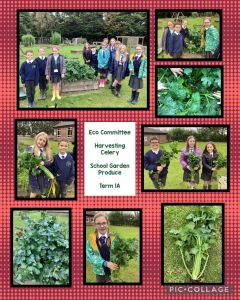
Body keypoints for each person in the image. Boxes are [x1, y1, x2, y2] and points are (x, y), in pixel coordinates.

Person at [86, 212, 119, 283]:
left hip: (112, 271)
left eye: (104, 223)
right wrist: (104, 263)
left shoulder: (114, 238)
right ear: (94, 225)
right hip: (99, 272)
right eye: (98, 223)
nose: (102, 226)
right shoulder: (91, 240)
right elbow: (90, 256)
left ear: (108, 223)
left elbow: (118, 252)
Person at [27, 132, 53, 198]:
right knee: (34, 192)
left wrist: (44, 163)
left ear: (46, 143)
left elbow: (51, 162)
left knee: (43, 191)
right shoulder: (30, 148)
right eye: (40, 139)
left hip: (44, 175)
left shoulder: (47, 151)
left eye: (44, 141)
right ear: (36, 139)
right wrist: (33, 165)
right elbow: (27, 161)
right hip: (34, 175)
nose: (41, 142)